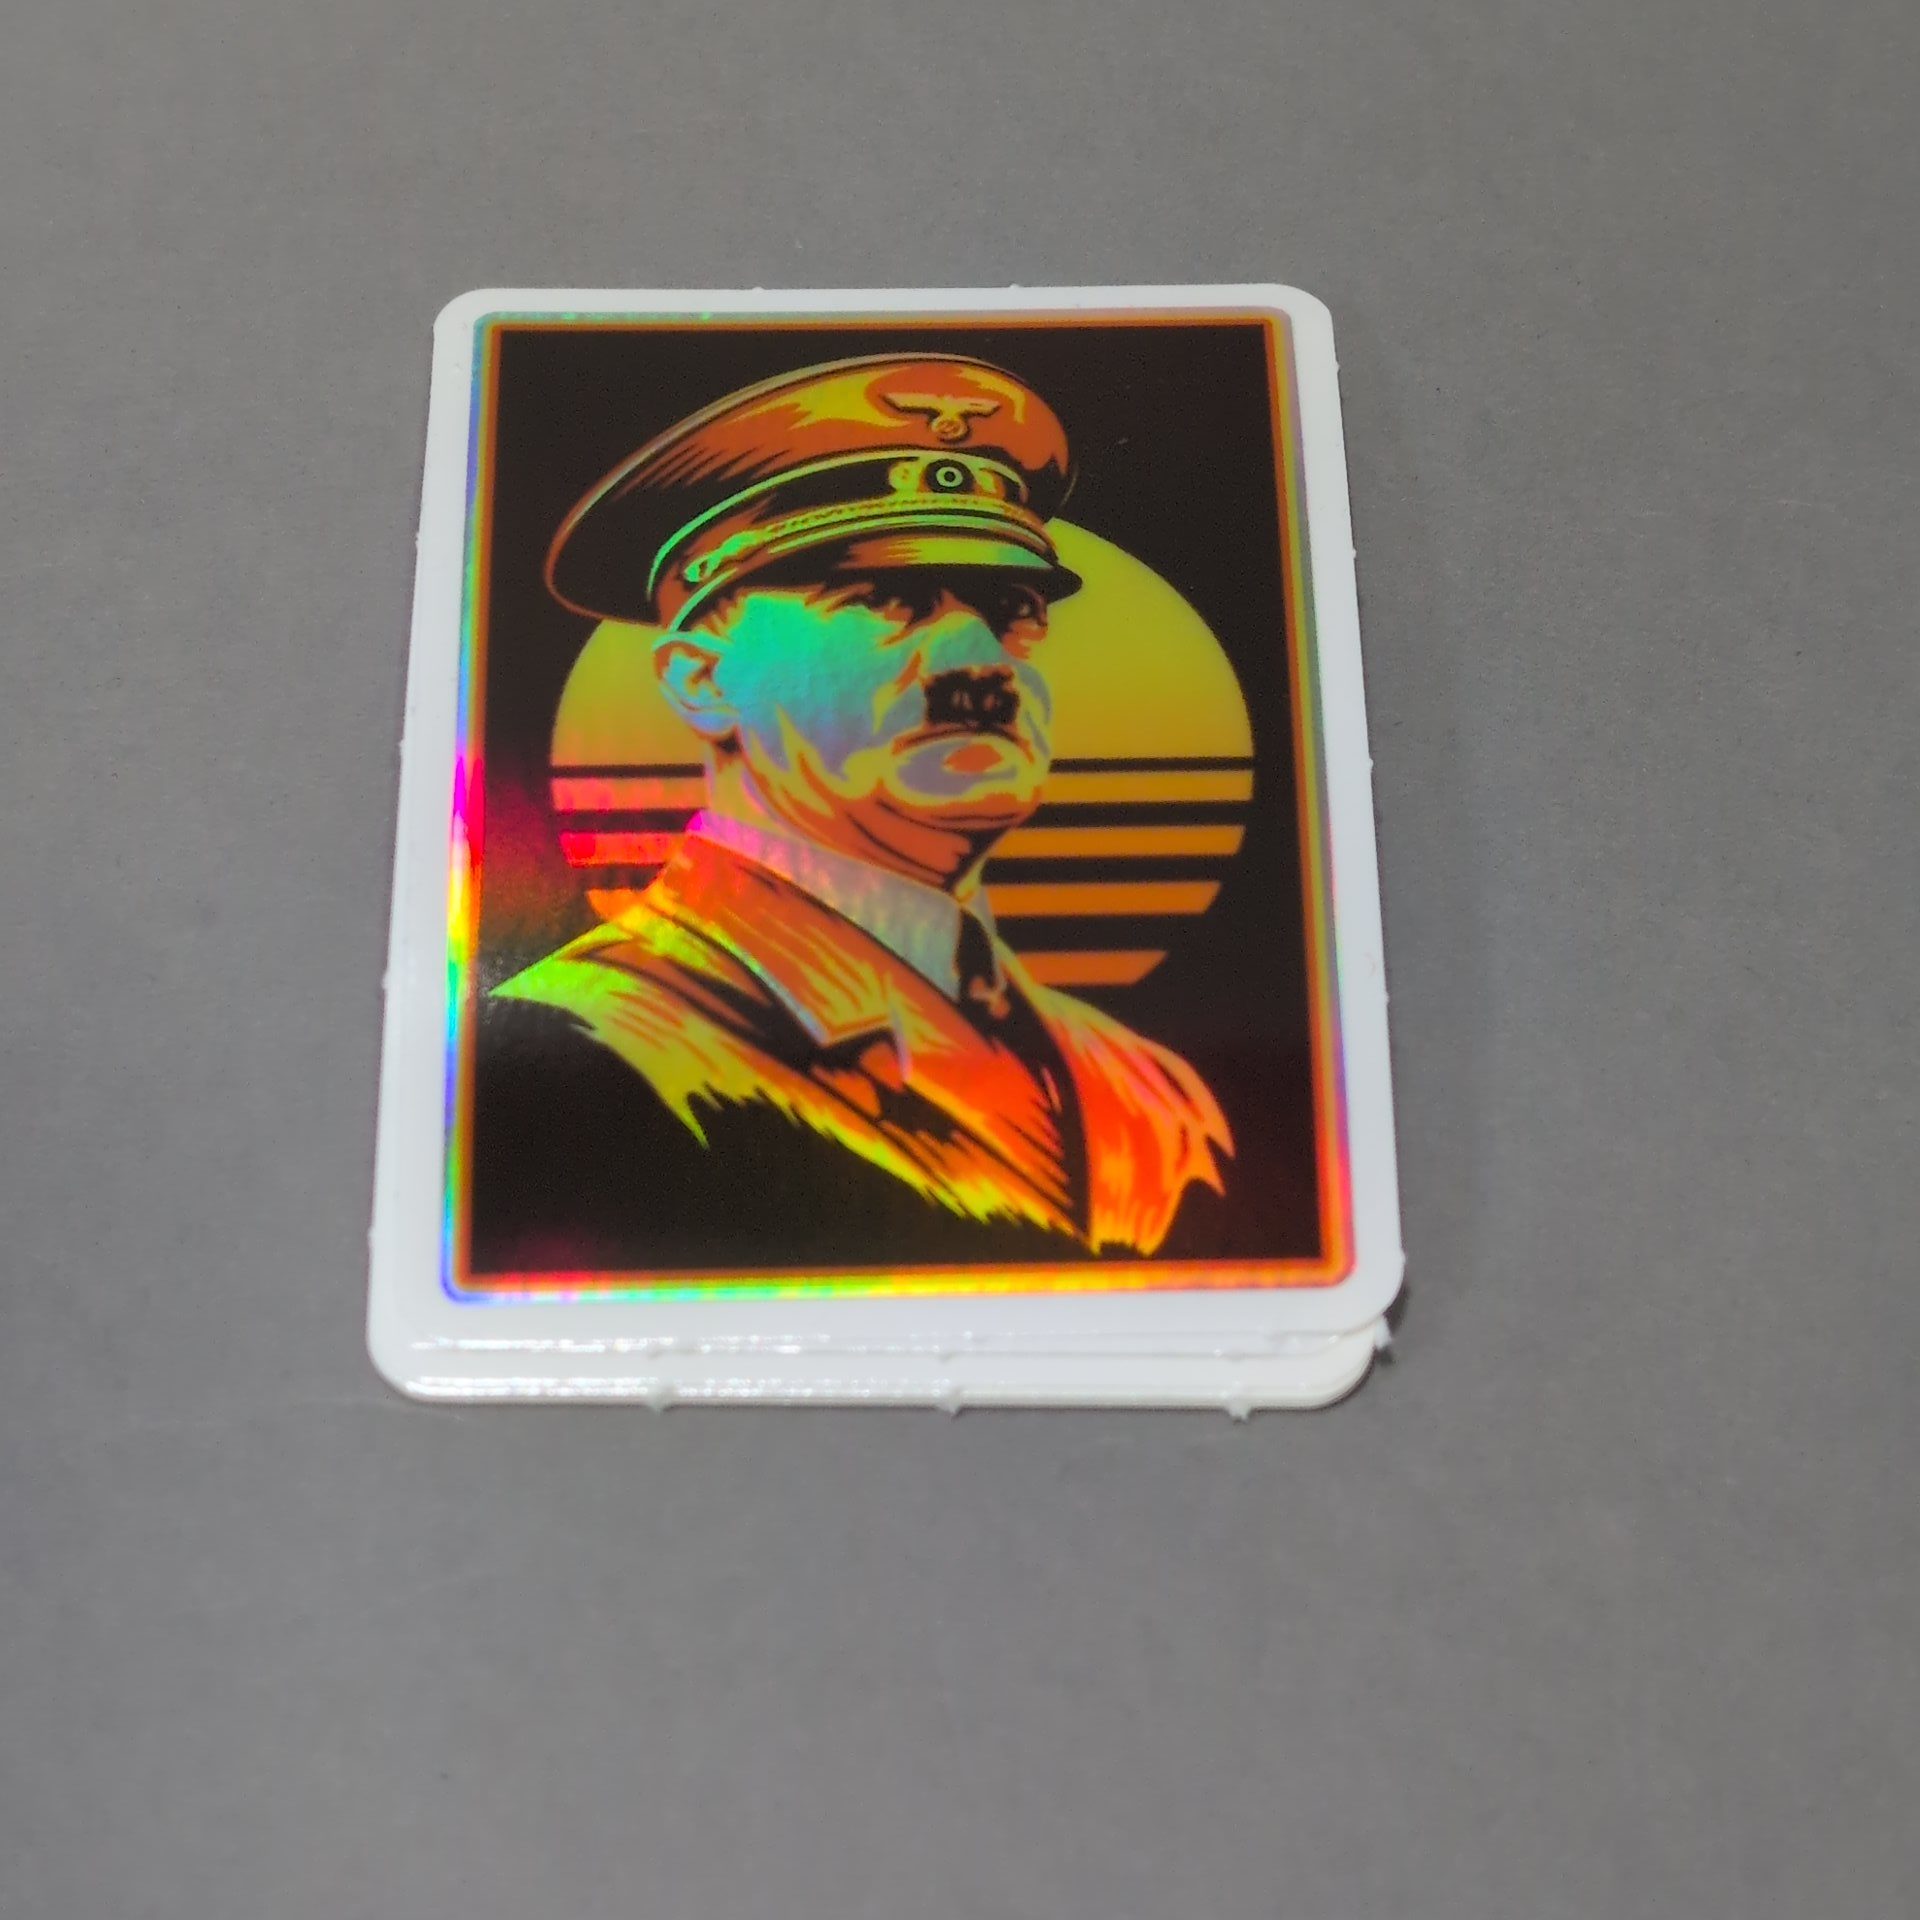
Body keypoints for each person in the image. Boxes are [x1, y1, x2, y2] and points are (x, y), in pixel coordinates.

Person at [469, 354, 1231, 1277]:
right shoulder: (585, 1054)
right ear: (702, 680)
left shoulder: (1150, 1089)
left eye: (1014, 611)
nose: (984, 664)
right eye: (886, 600)